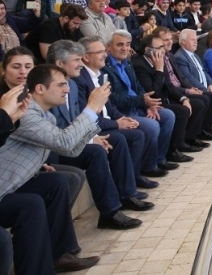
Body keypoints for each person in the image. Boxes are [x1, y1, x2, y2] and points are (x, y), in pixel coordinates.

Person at [0, 79, 101, 274]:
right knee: (32, 204)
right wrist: (91, 109)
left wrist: (38, 165)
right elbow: (64, 142)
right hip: (5, 186)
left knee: (60, 181)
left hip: (14, 181)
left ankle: (59, 254)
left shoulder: (43, 115)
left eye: (28, 67)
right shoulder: (25, 114)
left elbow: (70, 150)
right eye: (61, 84)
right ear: (40, 88)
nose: (67, 89)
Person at [46, 41, 153, 223]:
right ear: (59, 64)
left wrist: (93, 136)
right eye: (77, 60)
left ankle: (123, 197)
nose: (81, 64)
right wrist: (92, 138)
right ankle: (110, 211)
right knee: (101, 148)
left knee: (113, 142)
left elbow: (79, 119)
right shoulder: (47, 89)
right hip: (53, 150)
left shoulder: (69, 85)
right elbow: (60, 129)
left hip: (71, 140)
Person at [104, 30, 179, 175]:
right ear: (108, 47)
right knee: (152, 126)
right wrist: (142, 100)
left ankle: (159, 159)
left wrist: (147, 105)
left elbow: (138, 87)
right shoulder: (105, 68)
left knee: (168, 115)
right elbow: (113, 99)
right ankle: (148, 167)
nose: (125, 48)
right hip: (122, 111)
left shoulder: (128, 63)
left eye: (127, 45)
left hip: (138, 105)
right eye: (120, 45)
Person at [132, 32, 202, 158]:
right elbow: (154, 94)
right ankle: (171, 151)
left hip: (164, 98)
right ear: (148, 50)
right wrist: (159, 70)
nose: (163, 50)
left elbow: (169, 85)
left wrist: (183, 98)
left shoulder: (160, 59)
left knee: (194, 104)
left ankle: (182, 143)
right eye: (159, 47)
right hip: (152, 102)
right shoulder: (139, 64)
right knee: (180, 111)